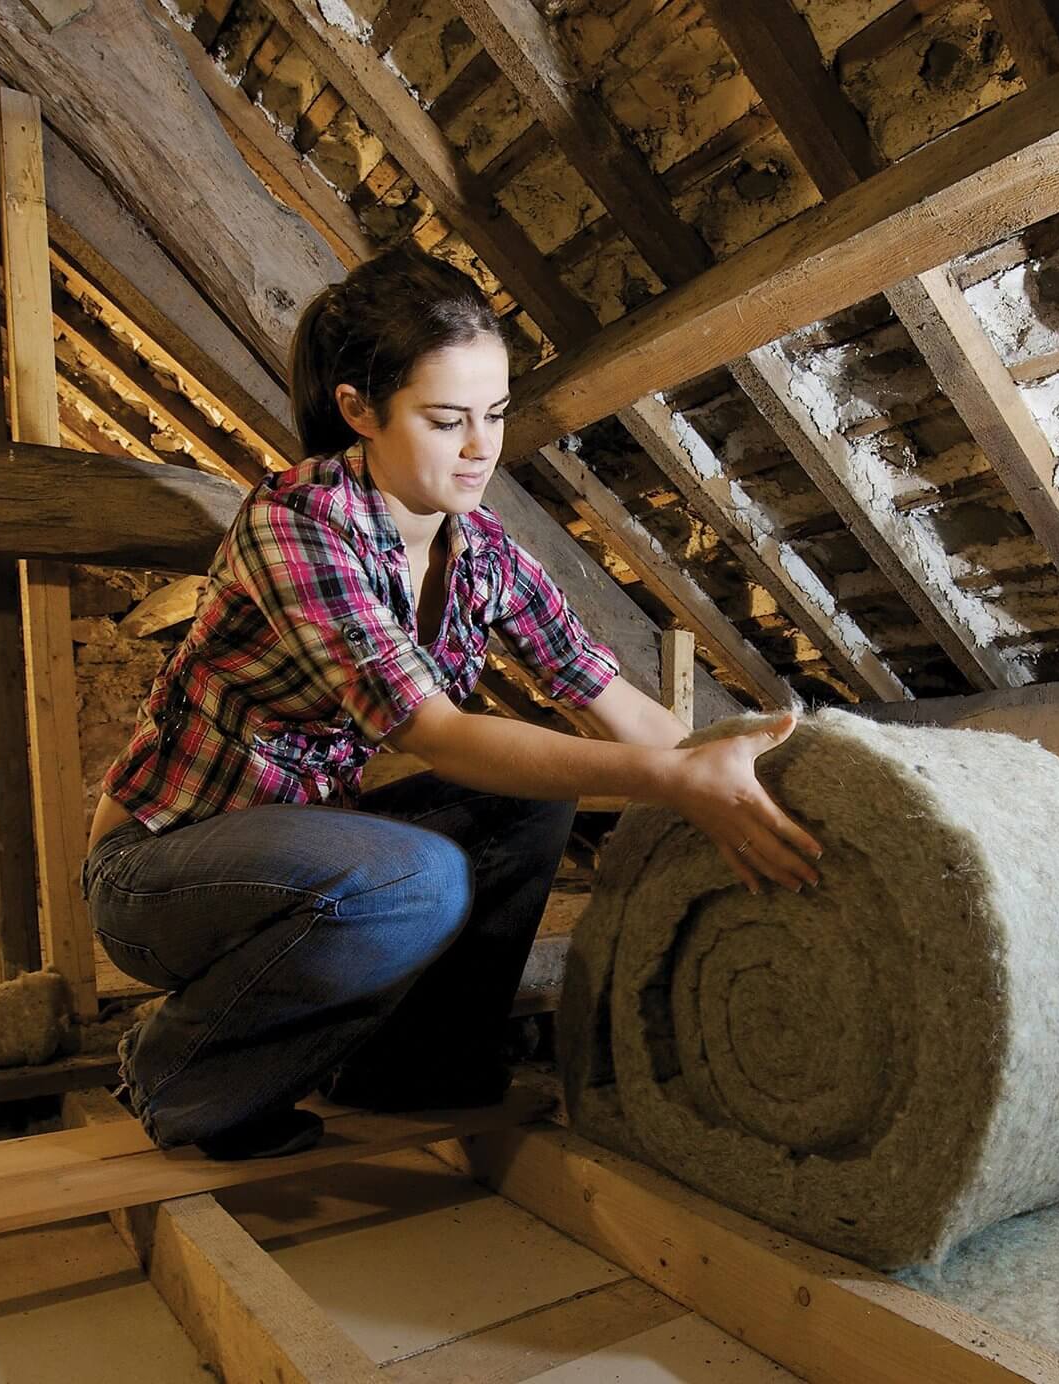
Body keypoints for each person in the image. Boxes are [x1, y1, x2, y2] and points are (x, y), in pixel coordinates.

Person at [81, 245, 823, 1161]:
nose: (481, 449)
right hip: (158, 873)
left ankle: (418, 1068)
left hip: (303, 857)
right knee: (415, 883)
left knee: (530, 802)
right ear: (359, 409)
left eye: (495, 415)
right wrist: (669, 784)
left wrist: (746, 781)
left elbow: (602, 693)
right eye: (445, 421)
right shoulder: (295, 526)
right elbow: (437, 734)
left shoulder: (482, 550)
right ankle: (175, 1074)